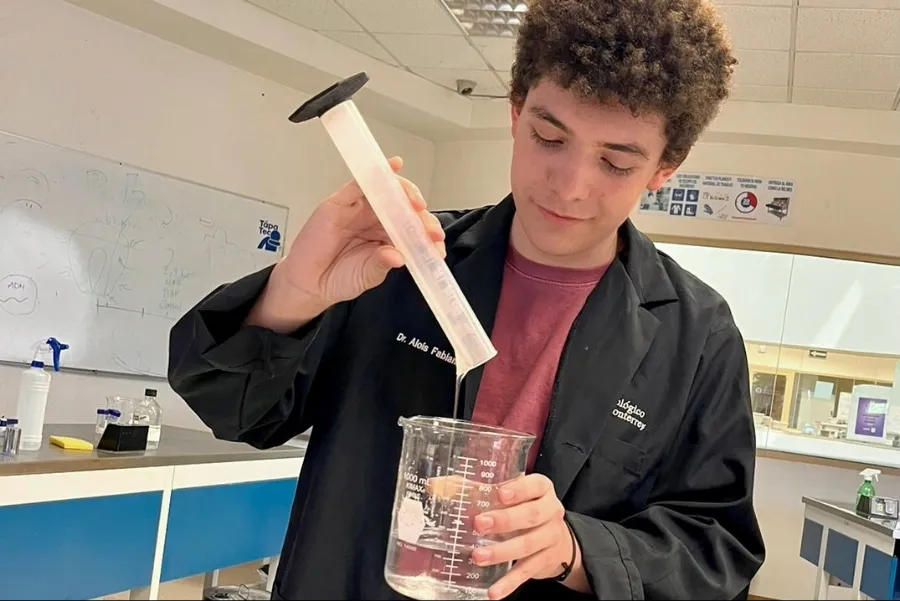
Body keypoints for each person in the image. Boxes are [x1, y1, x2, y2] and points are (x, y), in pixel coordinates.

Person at [167, 0, 766, 598]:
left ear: (665, 168)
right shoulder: (399, 263)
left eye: (615, 162)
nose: (571, 186)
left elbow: (716, 548)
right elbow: (236, 413)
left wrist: (575, 550)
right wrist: (294, 291)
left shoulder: (698, 336)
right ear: (514, 111)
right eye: (548, 137)